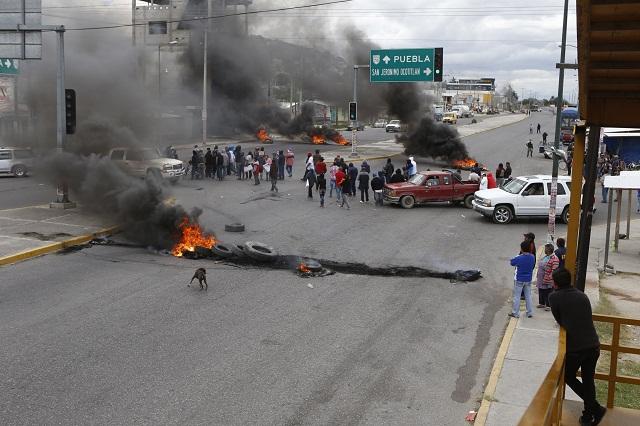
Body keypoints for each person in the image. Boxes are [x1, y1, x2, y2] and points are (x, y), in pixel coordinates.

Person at [549, 268, 607, 426]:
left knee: (568, 376)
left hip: (576, 349)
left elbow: (560, 320)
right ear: (570, 280)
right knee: (589, 380)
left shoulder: (554, 297)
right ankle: (589, 416)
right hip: (593, 345)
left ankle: (595, 409)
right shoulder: (582, 295)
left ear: (555, 283)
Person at [509, 240, 536, 318]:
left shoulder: (519, 257)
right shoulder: (532, 257)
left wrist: (518, 255)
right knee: (528, 296)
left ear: (522, 249)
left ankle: (515, 313)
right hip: (528, 279)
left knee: (517, 296)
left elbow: (512, 262)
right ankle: (529, 312)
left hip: (519, 279)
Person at [536, 243, 559, 310]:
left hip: (547, 278)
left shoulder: (555, 258)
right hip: (541, 277)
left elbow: (554, 269)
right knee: (541, 290)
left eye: (545, 249)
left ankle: (548, 305)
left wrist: (549, 277)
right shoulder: (546, 256)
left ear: (549, 250)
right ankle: (542, 303)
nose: (544, 250)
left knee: (548, 291)